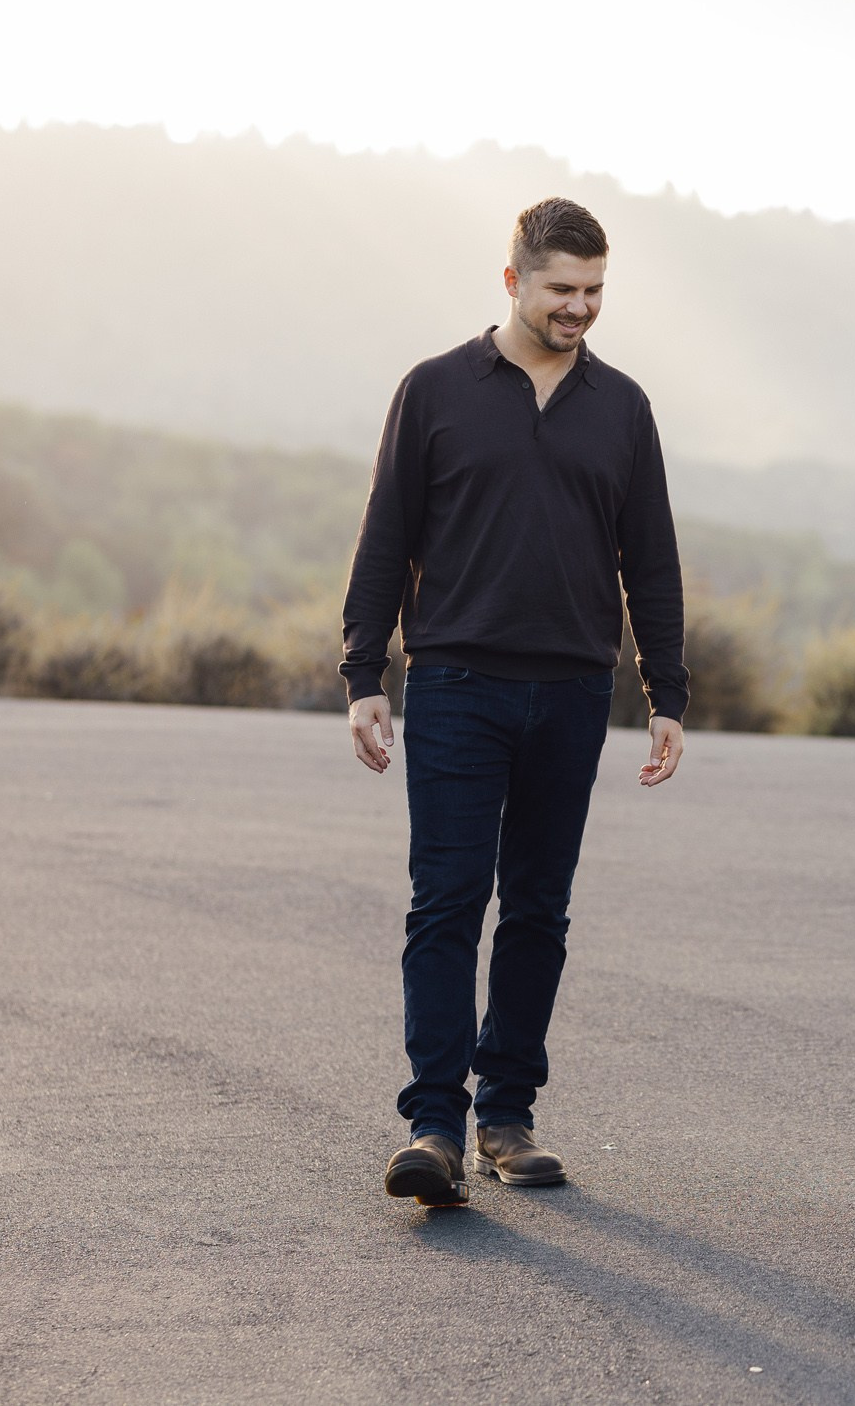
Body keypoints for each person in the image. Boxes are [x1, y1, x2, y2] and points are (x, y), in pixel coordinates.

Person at [340, 196, 688, 1207]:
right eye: (561, 290)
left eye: (593, 292)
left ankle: (507, 1116)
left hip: (573, 689)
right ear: (513, 281)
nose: (579, 308)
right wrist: (365, 674)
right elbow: (384, 535)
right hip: (453, 682)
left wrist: (666, 691)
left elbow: (650, 561)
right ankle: (434, 1124)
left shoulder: (622, 408)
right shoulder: (437, 389)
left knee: (537, 906)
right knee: (446, 899)